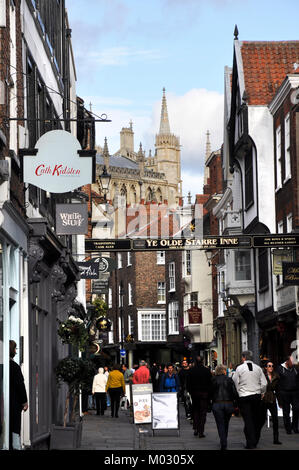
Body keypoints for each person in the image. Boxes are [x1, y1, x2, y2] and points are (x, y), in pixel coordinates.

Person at [233, 350, 267, 449]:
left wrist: (239, 392)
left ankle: (251, 442)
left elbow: (235, 381)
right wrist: (262, 392)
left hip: (244, 396)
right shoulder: (258, 368)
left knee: (248, 420)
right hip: (256, 396)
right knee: (255, 418)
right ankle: (254, 440)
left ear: (243, 357)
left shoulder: (239, 368)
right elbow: (264, 383)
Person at [211, 364, 238, 451]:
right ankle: (224, 440)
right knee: (226, 423)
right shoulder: (229, 380)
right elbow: (234, 392)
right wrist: (236, 404)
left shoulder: (213, 380)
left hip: (217, 404)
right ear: (224, 371)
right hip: (228, 403)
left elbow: (210, 393)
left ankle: (223, 442)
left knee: (220, 424)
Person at [186, 355, 212, 438]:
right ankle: (201, 431)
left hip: (194, 394)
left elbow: (188, 384)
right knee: (203, 413)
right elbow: (210, 383)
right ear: (203, 361)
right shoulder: (207, 371)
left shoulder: (191, 370)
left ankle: (196, 428)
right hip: (204, 394)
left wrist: (190, 392)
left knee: (195, 412)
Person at [9, 340, 28, 450]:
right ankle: (16, 447)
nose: (16, 351)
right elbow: (20, 386)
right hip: (14, 403)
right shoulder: (14, 367)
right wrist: (24, 402)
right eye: (15, 349)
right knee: (15, 428)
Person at [260, 361, 282, 444]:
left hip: (272, 398)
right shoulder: (262, 376)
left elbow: (278, 390)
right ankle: (255, 437)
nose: (271, 367)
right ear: (266, 367)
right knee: (261, 420)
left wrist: (280, 402)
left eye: (272, 366)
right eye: (269, 366)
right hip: (264, 399)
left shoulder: (276, 376)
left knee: (275, 420)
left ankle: (276, 439)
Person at [277, 355, 299, 434]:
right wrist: (279, 396)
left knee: (296, 409)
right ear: (287, 361)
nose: (293, 363)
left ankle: (295, 426)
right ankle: (288, 428)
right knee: (286, 411)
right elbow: (278, 383)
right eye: (291, 362)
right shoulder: (280, 369)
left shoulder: (295, 369)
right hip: (284, 393)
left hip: (295, 392)